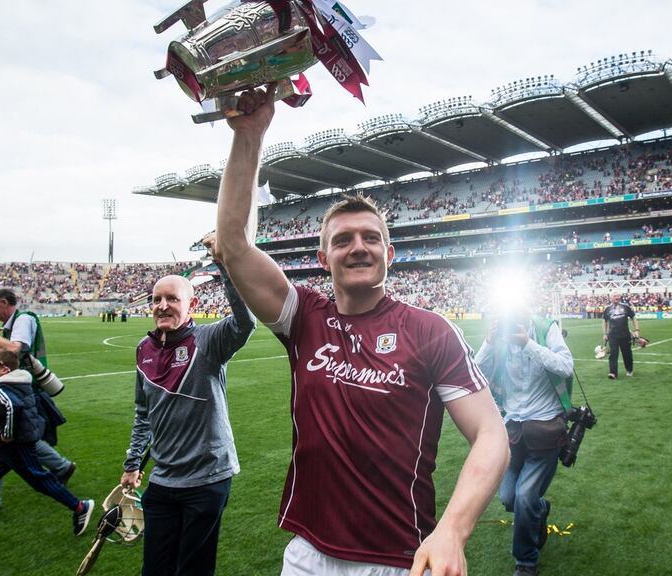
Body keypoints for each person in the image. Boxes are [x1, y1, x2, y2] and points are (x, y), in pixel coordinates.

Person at [214, 87, 508, 576]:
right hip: (308, 554)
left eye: (372, 238)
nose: (359, 247)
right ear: (322, 258)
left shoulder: (430, 331)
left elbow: (492, 433)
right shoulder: (303, 316)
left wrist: (453, 528)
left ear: (389, 254)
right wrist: (250, 135)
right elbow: (233, 246)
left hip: (397, 559)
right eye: (344, 240)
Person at [120, 234, 255, 576]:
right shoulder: (143, 349)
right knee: (155, 570)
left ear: (191, 305)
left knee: (192, 571)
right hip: (163, 480)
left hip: (207, 479)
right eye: (156, 299)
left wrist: (223, 263)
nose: (162, 305)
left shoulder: (208, 340)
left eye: (172, 299)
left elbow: (245, 322)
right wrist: (133, 463)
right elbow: (143, 414)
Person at [0, 348, 94, 557]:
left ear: (4, 370)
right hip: (7, 448)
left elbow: (13, 407)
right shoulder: (11, 382)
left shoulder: (1, 388)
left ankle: (80, 507)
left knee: (40, 481)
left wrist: (6, 434)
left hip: (16, 445)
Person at [0, 287, 76, 518]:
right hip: (17, 386)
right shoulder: (13, 324)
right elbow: (8, 355)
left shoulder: (24, 319)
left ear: (3, 302)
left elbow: (15, 349)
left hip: (21, 389)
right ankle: (61, 467)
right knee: (20, 439)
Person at [475, 312, 573, 576]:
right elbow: (473, 374)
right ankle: (540, 510)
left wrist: (528, 343)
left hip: (545, 430)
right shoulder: (498, 338)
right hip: (513, 430)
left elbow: (566, 366)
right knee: (509, 497)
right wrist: (488, 341)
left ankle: (526, 561)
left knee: (525, 496)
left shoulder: (545, 328)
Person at [602, 293, 639, 380]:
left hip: (625, 335)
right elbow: (604, 321)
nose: (617, 297)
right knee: (613, 354)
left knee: (627, 354)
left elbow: (633, 318)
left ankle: (629, 370)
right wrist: (605, 333)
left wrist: (636, 330)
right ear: (610, 298)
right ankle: (613, 373)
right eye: (615, 296)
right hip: (612, 336)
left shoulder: (626, 307)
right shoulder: (607, 309)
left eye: (618, 296)